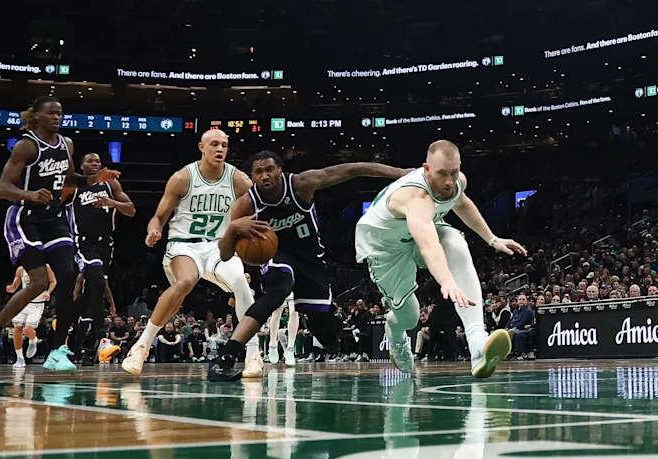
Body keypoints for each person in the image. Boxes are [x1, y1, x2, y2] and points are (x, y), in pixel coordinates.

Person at [208, 151, 408, 381]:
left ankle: (331, 338)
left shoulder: (302, 184)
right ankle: (225, 358)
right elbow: (224, 255)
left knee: (328, 338)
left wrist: (401, 174)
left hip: (310, 259)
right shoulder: (245, 205)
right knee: (277, 291)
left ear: (280, 170)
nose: (265, 175)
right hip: (277, 256)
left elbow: (353, 169)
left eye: (270, 169)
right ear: (251, 176)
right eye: (258, 171)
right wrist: (233, 229)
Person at [0, 96, 118, 373]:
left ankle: (58, 351)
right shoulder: (26, 146)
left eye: (60, 113)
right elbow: (2, 188)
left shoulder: (67, 144)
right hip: (24, 217)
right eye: (50, 113)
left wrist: (97, 178)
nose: (57, 117)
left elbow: (70, 179)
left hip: (53, 219)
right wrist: (30, 194)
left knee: (69, 275)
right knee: (37, 283)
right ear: (36, 116)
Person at [356, 140, 527, 378]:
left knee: (456, 243)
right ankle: (394, 333)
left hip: (421, 230)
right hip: (386, 247)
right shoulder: (416, 197)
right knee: (410, 316)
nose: (449, 181)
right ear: (426, 169)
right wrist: (446, 280)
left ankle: (478, 345)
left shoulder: (457, 182)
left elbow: (462, 203)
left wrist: (492, 239)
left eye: (453, 173)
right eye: (442, 174)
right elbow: (428, 245)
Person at [121, 129, 263, 377]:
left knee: (240, 281)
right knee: (187, 281)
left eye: (224, 146)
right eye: (214, 145)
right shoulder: (182, 178)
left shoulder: (238, 179)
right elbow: (158, 217)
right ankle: (141, 345)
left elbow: (260, 208)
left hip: (220, 245)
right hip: (184, 244)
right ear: (201, 147)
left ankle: (253, 353)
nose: (220, 150)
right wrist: (153, 232)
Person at [67, 152, 134, 364]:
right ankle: (101, 340)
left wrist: (112, 202)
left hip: (106, 243)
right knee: (96, 282)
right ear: (82, 165)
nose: (95, 164)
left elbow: (131, 210)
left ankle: (66, 319)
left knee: (93, 290)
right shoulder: (75, 184)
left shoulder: (110, 184)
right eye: (90, 161)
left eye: (97, 161)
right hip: (83, 241)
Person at [7, 264, 55, 368]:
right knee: (17, 329)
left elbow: (53, 282)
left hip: (37, 304)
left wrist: (48, 292)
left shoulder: (45, 267)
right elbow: (14, 287)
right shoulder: (21, 269)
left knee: (28, 330)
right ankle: (20, 358)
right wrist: (10, 288)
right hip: (23, 302)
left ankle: (33, 339)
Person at [265, 294, 299, 366]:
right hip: (279, 284)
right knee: (276, 313)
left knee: (294, 311)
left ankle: (290, 348)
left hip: (295, 284)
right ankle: (273, 344)